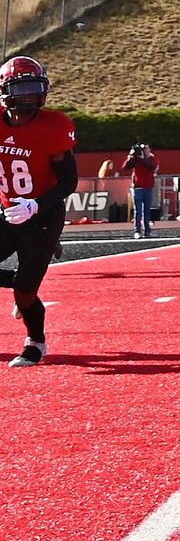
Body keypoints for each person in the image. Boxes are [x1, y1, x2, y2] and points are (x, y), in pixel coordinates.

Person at [0, 57, 78, 366]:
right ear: (6, 92)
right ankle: (22, 278)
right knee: (22, 283)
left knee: (26, 294)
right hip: (7, 213)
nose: (29, 97)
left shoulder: (54, 125)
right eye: (22, 90)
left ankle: (36, 342)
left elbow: (68, 181)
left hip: (43, 216)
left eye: (34, 89)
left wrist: (34, 205)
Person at [120, 142, 158, 237]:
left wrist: (144, 158)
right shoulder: (136, 160)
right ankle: (138, 231)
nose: (145, 151)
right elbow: (125, 167)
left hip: (148, 187)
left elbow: (152, 167)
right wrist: (131, 156)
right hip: (137, 188)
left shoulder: (151, 158)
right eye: (143, 149)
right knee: (138, 211)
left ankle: (147, 231)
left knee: (147, 210)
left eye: (146, 149)